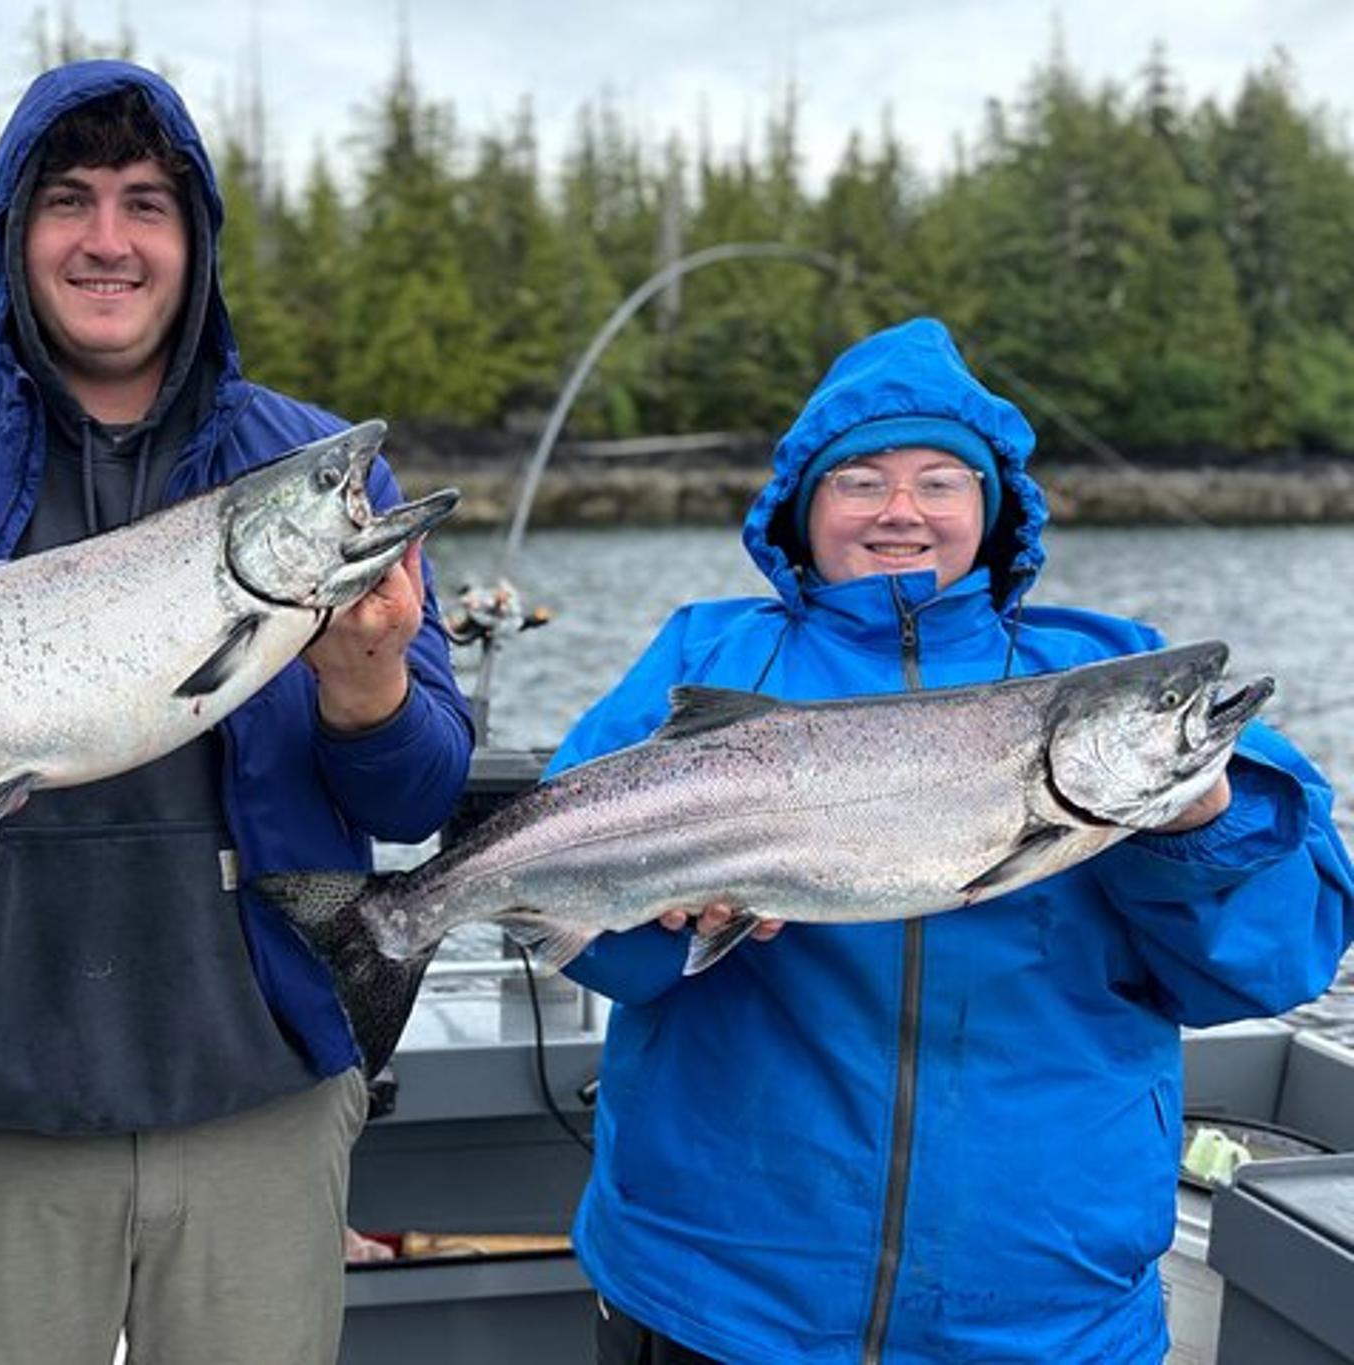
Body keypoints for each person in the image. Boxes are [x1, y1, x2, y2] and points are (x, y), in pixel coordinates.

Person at [0, 60, 472, 1363]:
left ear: (194, 242)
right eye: (70, 201)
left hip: (263, 1100)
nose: (109, 240)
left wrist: (368, 687)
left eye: (149, 204)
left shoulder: (322, 471)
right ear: (13, 232)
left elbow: (421, 799)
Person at [551, 316, 1354, 1364]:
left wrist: (1196, 822)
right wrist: (659, 920)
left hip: (1041, 1309)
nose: (900, 511)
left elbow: (1271, 964)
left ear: (992, 507)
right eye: (860, 481)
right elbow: (590, 939)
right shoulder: (706, 659)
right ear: (800, 507)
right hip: (719, 1292)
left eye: (939, 481)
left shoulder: (1113, 669)